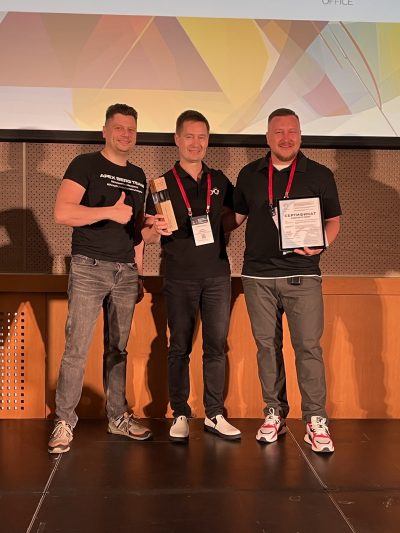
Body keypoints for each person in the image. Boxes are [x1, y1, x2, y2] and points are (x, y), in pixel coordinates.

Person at [233, 108, 341, 453]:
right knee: (267, 348)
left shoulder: (319, 174)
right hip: (257, 276)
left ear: (300, 135)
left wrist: (321, 244)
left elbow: (333, 220)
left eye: (292, 131)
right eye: (278, 132)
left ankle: (315, 420)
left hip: (302, 274)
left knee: (308, 347)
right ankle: (273, 413)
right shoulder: (249, 174)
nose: (286, 138)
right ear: (267, 137)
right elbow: (235, 217)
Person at [48, 103, 152, 454]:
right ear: (105, 131)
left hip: (125, 271)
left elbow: (136, 232)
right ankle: (64, 421)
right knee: (77, 348)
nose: (126, 134)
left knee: (118, 349)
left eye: (131, 129)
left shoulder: (138, 175)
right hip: (89, 267)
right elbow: (62, 212)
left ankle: (117, 416)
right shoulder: (85, 164)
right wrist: (109, 211)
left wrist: (148, 239)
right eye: (119, 127)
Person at [142, 110, 241, 442]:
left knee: (216, 347)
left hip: (216, 276)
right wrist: (154, 230)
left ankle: (214, 414)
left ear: (207, 141)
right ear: (177, 139)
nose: (195, 143)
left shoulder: (220, 180)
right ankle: (180, 413)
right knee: (179, 348)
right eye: (189, 136)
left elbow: (234, 217)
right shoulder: (161, 184)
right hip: (179, 276)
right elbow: (149, 233)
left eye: (202, 137)